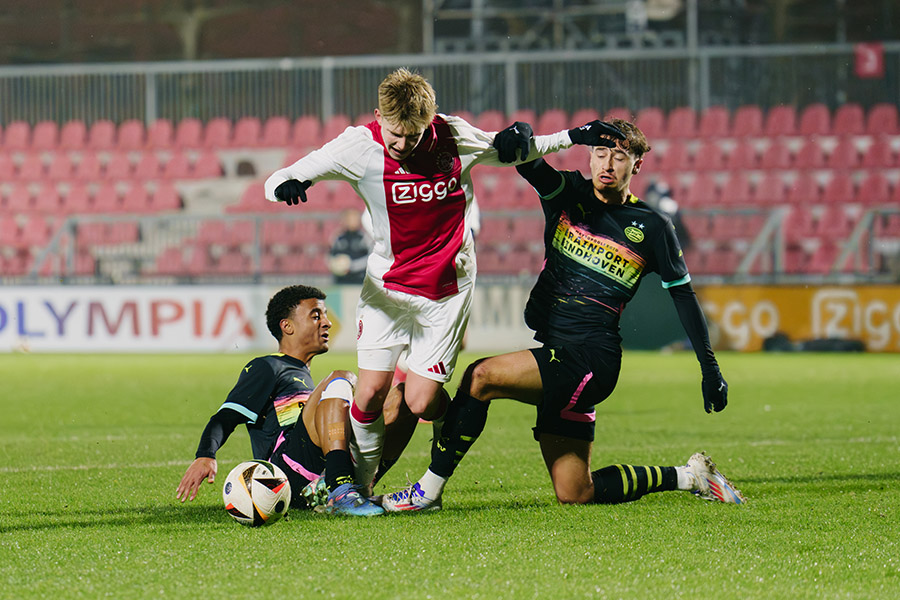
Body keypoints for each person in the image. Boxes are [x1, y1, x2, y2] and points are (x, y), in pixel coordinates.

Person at [264, 68, 620, 493]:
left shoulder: (452, 136)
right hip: (387, 290)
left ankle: (449, 427)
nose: (401, 145)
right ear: (379, 116)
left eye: (411, 137)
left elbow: (518, 148)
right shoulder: (357, 146)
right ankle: (358, 491)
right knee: (371, 393)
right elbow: (277, 179)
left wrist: (576, 135)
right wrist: (286, 186)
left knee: (419, 401)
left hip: (445, 292)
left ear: (428, 123)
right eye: (394, 134)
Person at [379, 118, 742, 511]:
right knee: (576, 492)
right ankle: (690, 476)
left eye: (620, 157)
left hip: (591, 359)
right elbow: (524, 160)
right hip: (557, 351)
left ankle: (428, 491)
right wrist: (520, 135)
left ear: (636, 165)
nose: (607, 164)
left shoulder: (652, 227)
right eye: (600, 153)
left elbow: (684, 298)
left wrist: (710, 369)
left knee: (480, 377)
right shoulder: (568, 192)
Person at [175, 284, 417, 516]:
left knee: (404, 398)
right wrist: (205, 455)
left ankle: (358, 489)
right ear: (287, 326)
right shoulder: (268, 366)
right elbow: (226, 416)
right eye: (315, 316)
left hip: (320, 467)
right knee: (341, 378)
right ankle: (340, 489)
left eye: (325, 314)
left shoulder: (304, 377)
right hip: (286, 475)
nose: (327, 322)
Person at [328, 209, 371, 284]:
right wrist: (336, 266)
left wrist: (351, 266)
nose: (352, 221)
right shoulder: (338, 237)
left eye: (354, 218)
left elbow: (369, 258)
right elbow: (330, 256)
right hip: (341, 280)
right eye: (350, 218)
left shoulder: (364, 238)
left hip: (359, 279)